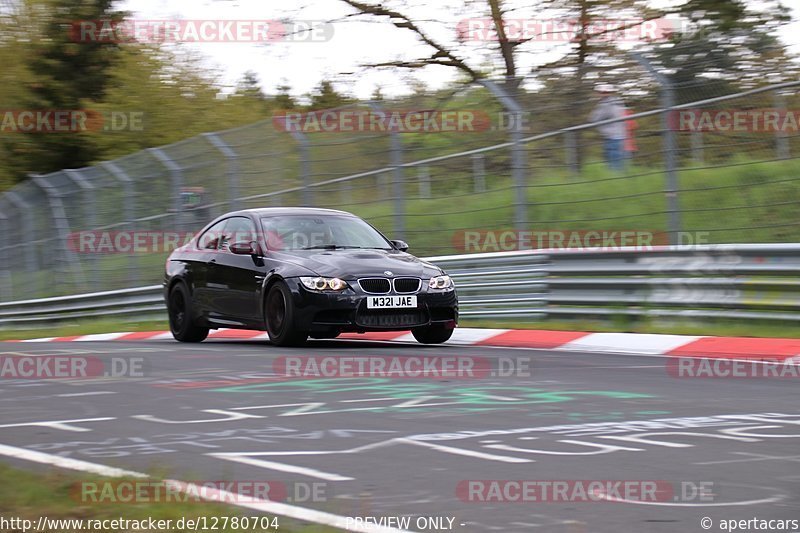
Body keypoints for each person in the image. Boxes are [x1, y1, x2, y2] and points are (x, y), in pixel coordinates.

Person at [590, 84, 626, 171]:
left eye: (603, 92)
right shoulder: (618, 102)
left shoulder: (606, 104)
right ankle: (617, 177)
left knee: (613, 159)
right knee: (616, 157)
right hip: (619, 133)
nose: (602, 94)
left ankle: (615, 178)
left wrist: (593, 118)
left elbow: (596, 118)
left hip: (611, 134)